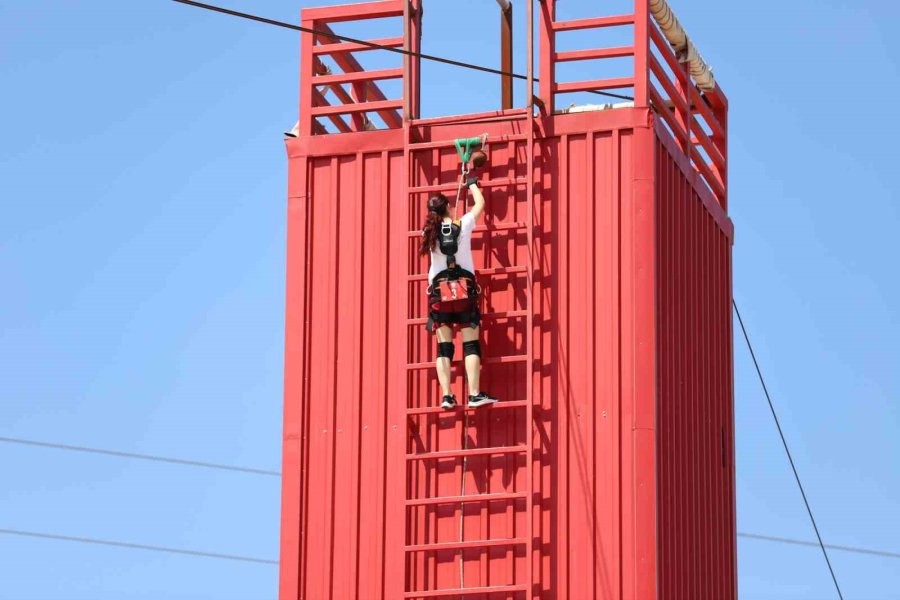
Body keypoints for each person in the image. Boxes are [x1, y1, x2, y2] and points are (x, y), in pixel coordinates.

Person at [419, 178, 499, 410]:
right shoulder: (462, 223)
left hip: (439, 295)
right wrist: (471, 184)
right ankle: (474, 394)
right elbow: (480, 204)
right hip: (464, 292)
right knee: (470, 345)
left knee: (444, 348)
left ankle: (447, 395)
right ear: (448, 208)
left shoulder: (428, 232)